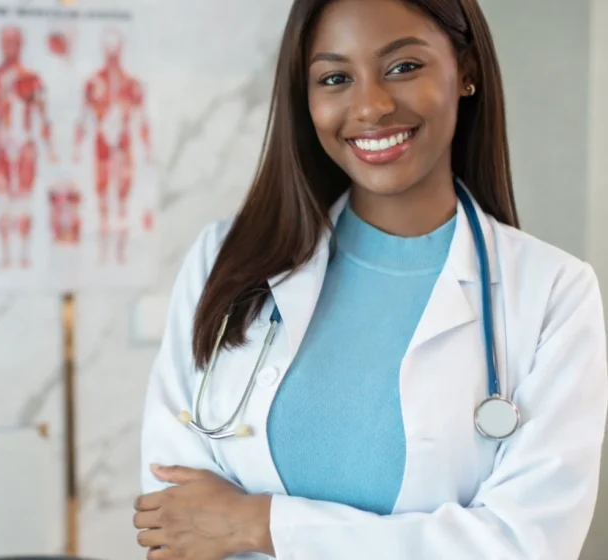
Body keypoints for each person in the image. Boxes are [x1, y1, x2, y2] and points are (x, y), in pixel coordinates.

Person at [133, 0, 608, 558]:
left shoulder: (553, 293)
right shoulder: (226, 260)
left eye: (404, 67)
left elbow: (524, 545)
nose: (371, 106)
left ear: (467, 72)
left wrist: (261, 526)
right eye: (335, 78)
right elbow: (176, 517)